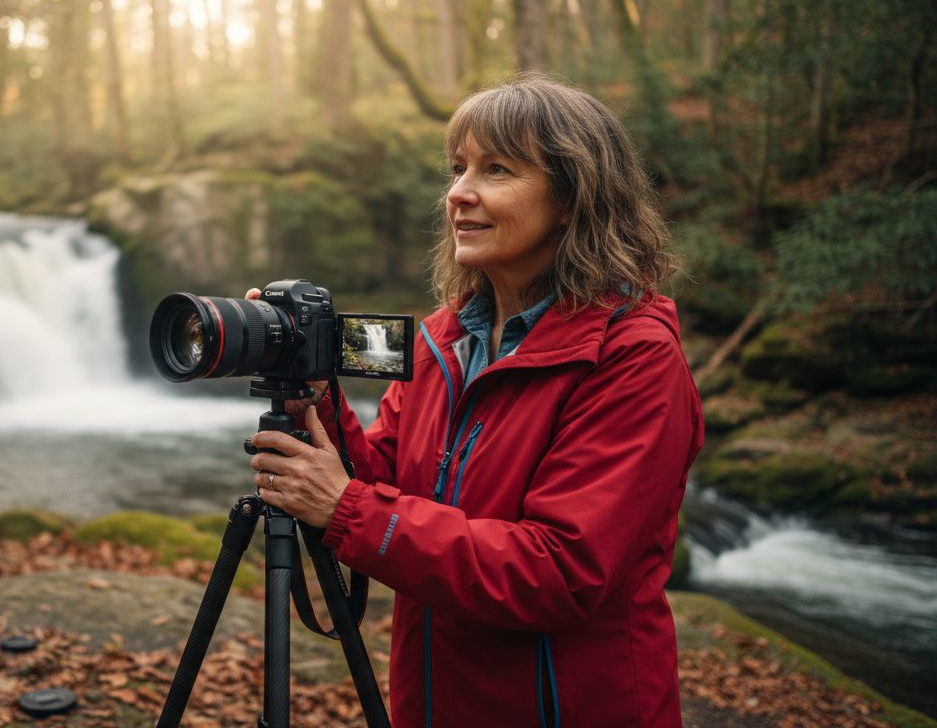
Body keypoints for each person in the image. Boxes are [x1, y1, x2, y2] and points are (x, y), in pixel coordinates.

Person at [246, 74, 704, 727]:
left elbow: (560, 570)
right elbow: (388, 479)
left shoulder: (633, 358)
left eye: (497, 170)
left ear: (574, 197)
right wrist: (315, 400)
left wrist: (347, 509)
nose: (458, 193)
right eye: (457, 169)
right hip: (435, 702)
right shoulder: (444, 337)